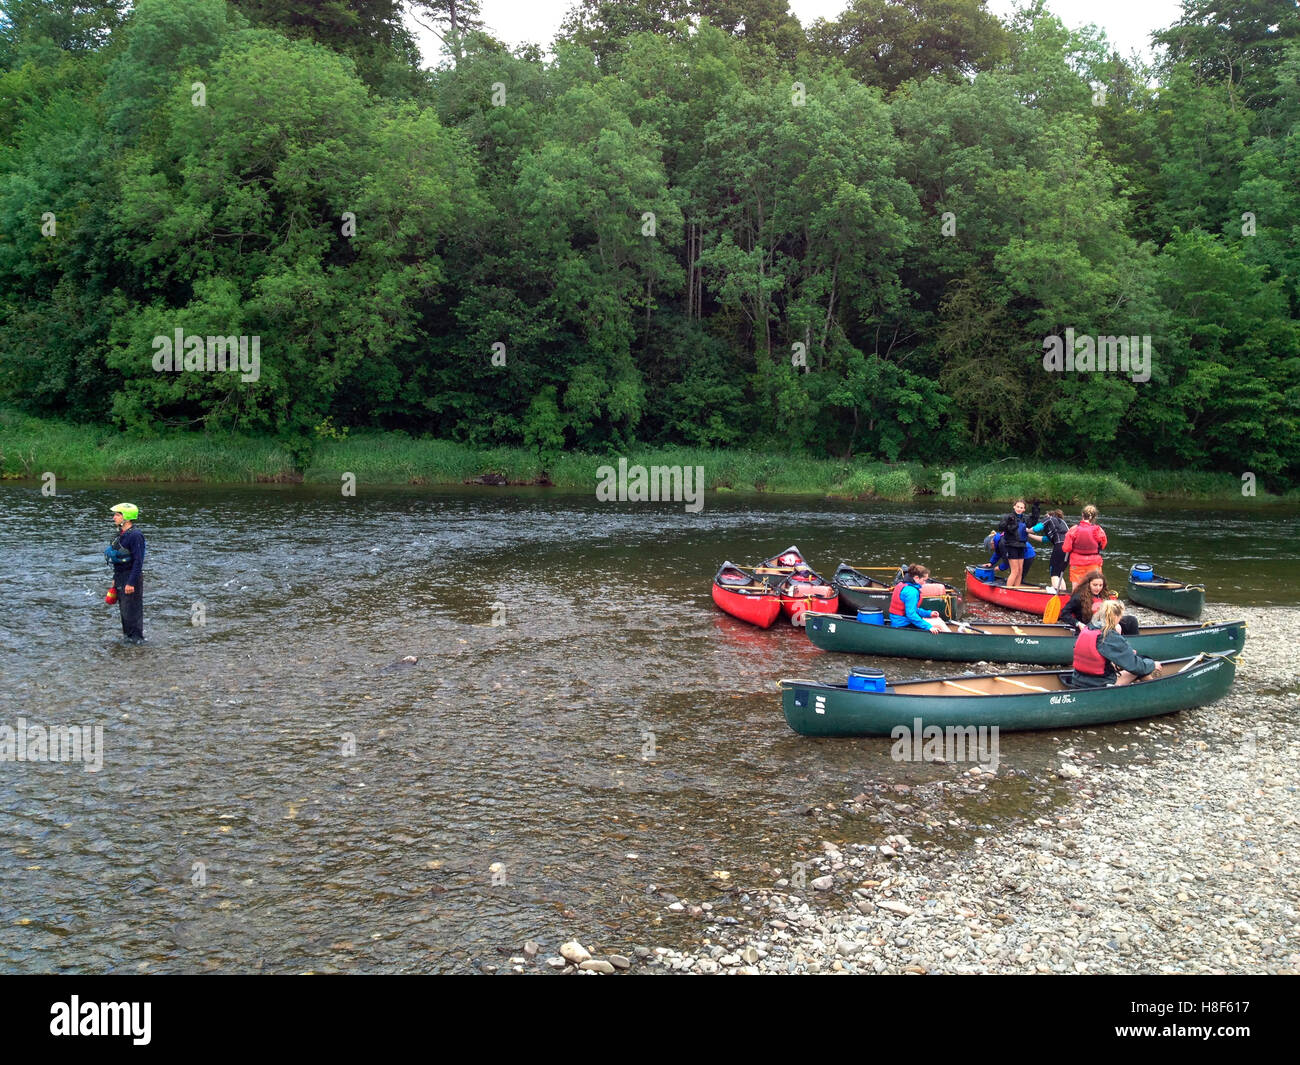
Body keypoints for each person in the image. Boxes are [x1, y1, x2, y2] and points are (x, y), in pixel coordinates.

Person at [1070, 600, 1161, 688]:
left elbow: (1099, 656)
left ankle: (1149, 687)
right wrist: (1152, 664)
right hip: (1099, 683)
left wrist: (1123, 657)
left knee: (1134, 665)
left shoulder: (1089, 628)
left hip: (1078, 679)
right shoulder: (1108, 635)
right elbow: (1135, 666)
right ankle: (1155, 690)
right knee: (1141, 668)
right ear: (1116, 617)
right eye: (1120, 617)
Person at [107, 502, 146, 643]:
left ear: (127, 517)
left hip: (131, 578)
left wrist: (131, 582)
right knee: (124, 612)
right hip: (120, 577)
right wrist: (115, 579)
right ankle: (127, 641)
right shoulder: (121, 534)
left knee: (132, 612)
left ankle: (137, 642)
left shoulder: (136, 535)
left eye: (117, 514)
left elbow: (138, 561)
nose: (114, 517)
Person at [1059, 569, 1137, 635]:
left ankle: (1131, 642)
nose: (1098, 588)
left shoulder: (1104, 595)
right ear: (1088, 584)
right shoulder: (1078, 597)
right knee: (1117, 627)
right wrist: (1078, 624)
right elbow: (1064, 613)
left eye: (1100, 585)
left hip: (1105, 622)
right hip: (1089, 626)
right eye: (1095, 585)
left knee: (1131, 620)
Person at [888, 564, 953, 633]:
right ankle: (953, 638)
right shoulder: (911, 592)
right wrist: (929, 627)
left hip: (899, 620)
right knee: (939, 624)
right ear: (916, 578)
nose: (925, 583)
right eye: (924, 580)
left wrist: (928, 613)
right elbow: (911, 615)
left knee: (936, 619)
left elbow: (913, 609)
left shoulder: (902, 584)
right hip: (902, 624)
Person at [1063, 504, 1107, 589]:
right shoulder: (1099, 530)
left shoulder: (1074, 529)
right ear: (1095, 517)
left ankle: (1075, 601)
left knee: (1076, 588)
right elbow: (1103, 545)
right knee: (1094, 587)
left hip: (1077, 563)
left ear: (1082, 515)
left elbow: (1066, 548)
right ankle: (1093, 601)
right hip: (1094, 563)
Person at [1028, 507, 1070, 592]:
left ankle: (1055, 594)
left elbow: (1036, 529)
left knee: (1054, 573)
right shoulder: (1061, 523)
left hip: (1059, 547)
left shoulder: (1049, 518)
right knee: (1059, 573)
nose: (1044, 517)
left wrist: (1026, 530)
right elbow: (1045, 539)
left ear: (1050, 515)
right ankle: (1063, 593)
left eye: (1045, 516)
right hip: (1069, 549)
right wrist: (1029, 535)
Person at [996, 499, 1030, 587]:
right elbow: (1000, 527)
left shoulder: (1025, 519)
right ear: (1014, 506)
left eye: (1021, 507)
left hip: (1021, 546)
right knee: (1014, 571)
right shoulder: (1008, 516)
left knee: (1020, 571)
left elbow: (1031, 526)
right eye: (1018, 507)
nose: (1019, 509)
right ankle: (1008, 590)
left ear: (1024, 509)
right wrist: (1008, 522)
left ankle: (1016, 589)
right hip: (1011, 546)